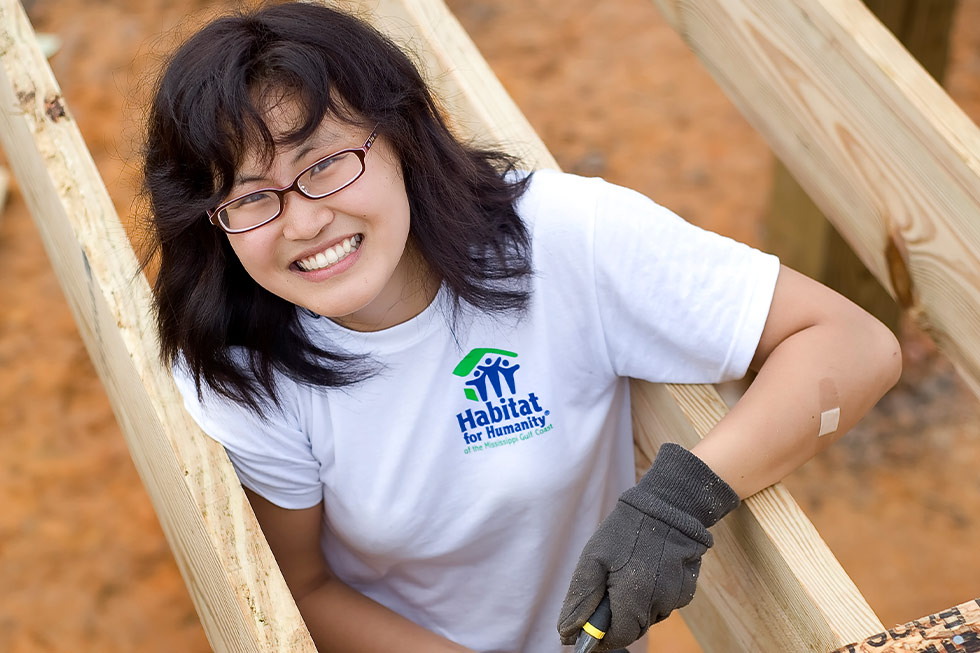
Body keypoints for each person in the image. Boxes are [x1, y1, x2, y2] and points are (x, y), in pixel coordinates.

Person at [141, 3, 901, 652]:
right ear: (215, 222)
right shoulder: (243, 363)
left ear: (398, 136)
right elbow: (302, 585)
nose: (305, 221)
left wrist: (679, 499)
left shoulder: (562, 237)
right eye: (250, 197)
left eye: (326, 162)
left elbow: (855, 345)